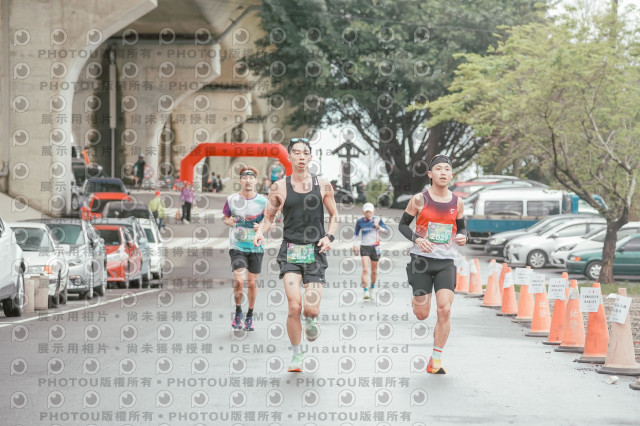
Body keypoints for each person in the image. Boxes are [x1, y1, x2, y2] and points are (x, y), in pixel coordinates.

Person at [254, 138, 339, 373]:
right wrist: (260, 232)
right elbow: (269, 218)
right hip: (290, 252)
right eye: (297, 153)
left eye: (305, 153)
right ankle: (297, 355)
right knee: (294, 306)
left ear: (310, 157)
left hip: (315, 251)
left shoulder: (323, 185)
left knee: (310, 309)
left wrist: (329, 237)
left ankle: (312, 319)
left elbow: (334, 215)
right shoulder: (279, 187)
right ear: (289, 157)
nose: (301, 156)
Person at [398, 154, 467, 374]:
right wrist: (417, 239)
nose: (443, 172)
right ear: (430, 174)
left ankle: (436, 359)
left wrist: (463, 236)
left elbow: (462, 228)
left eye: (447, 169)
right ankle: (417, 298)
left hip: (446, 262)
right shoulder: (419, 199)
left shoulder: (457, 202)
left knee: (444, 309)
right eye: (438, 169)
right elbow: (402, 225)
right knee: (422, 314)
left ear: (452, 174)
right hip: (421, 261)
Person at [222, 166, 270, 331]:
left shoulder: (264, 202)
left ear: (256, 181)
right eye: (245, 178)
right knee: (239, 280)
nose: (248, 180)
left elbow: (270, 222)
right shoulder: (231, 199)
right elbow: (225, 217)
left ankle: (249, 314)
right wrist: (227, 221)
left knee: (252, 283)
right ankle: (238, 312)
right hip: (237, 245)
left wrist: (261, 228)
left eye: (251, 178)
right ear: (240, 180)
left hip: (256, 246)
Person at [353, 202, 389, 301]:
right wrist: (354, 245)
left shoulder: (378, 220)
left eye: (370, 212)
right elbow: (356, 233)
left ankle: (372, 288)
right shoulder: (360, 221)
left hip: (375, 247)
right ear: (363, 212)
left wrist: (378, 227)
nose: (368, 213)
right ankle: (365, 291)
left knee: (374, 271)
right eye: (366, 212)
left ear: (373, 211)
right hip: (364, 247)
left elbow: (386, 232)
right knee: (365, 269)